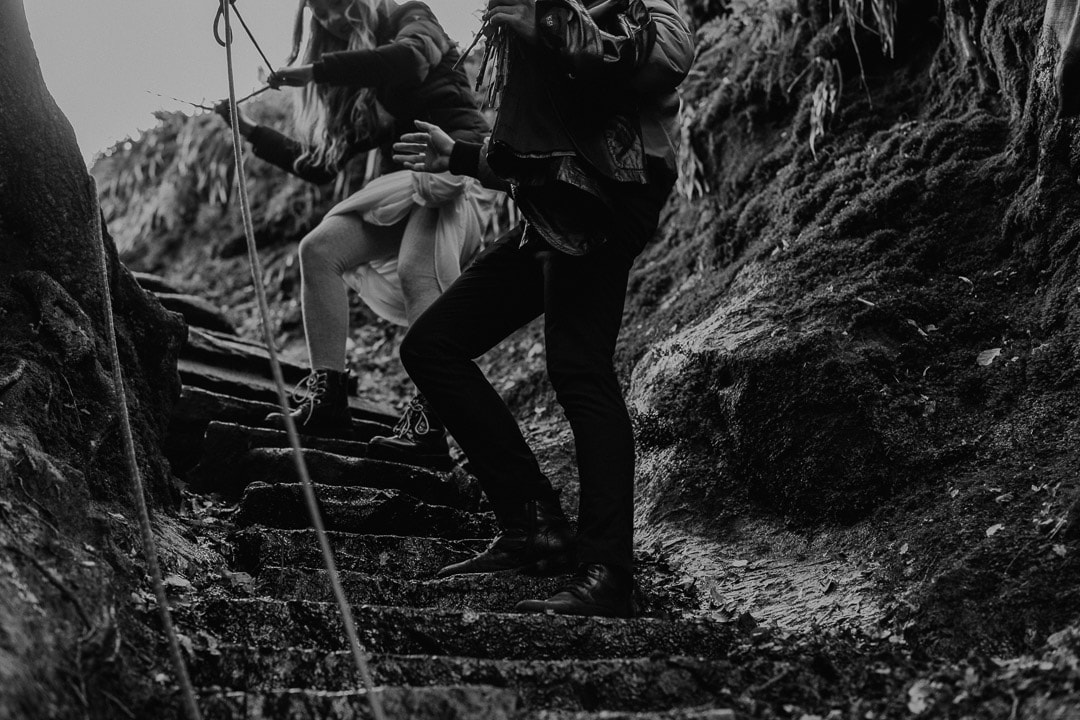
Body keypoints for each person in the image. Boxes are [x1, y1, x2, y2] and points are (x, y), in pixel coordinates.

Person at [390, 0, 693, 616]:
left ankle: (609, 572)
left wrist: (551, 23)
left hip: (605, 209)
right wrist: (458, 155)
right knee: (431, 346)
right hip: (548, 211)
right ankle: (532, 524)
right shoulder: (539, 22)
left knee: (579, 371)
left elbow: (667, 57)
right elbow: (538, 152)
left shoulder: (632, 5)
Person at [218, 0, 489, 466]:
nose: (332, 16)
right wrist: (251, 131)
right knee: (319, 250)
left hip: (456, 168)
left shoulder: (410, 18)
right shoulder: (359, 84)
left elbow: (409, 58)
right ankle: (329, 399)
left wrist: (317, 71)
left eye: (338, 2)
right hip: (402, 184)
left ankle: (431, 424)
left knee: (415, 268)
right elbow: (322, 167)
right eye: (320, 12)